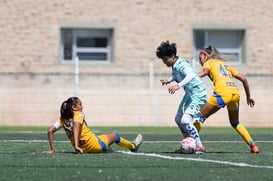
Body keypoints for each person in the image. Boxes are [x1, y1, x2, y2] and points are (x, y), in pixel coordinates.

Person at [197, 45, 260, 153]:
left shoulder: (209, 63)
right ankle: (253, 146)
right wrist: (248, 96)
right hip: (235, 94)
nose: (200, 61)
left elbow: (205, 72)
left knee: (200, 117)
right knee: (235, 123)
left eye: (200, 58)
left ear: (206, 56)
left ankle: (193, 143)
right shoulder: (225, 65)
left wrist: (189, 77)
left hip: (222, 93)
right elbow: (244, 79)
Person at [156, 41, 208, 153]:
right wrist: (168, 81)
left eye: (165, 59)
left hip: (199, 94)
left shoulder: (182, 64)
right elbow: (176, 75)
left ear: (172, 56)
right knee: (178, 119)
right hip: (190, 94)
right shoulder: (175, 65)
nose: (164, 62)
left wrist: (178, 85)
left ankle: (199, 146)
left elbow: (191, 75)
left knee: (185, 120)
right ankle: (187, 142)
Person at [43, 97, 143, 154]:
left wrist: (52, 149)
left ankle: (106, 149)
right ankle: (133, 146)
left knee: (99, 137)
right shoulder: (79, 114)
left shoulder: (63, 118)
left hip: (82, 150)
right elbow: (77, 126)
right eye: (80, 104)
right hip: (95, 145)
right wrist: (77, 145)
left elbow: (50, 131)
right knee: (115, 136)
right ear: (74, 107)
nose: (83, 107)